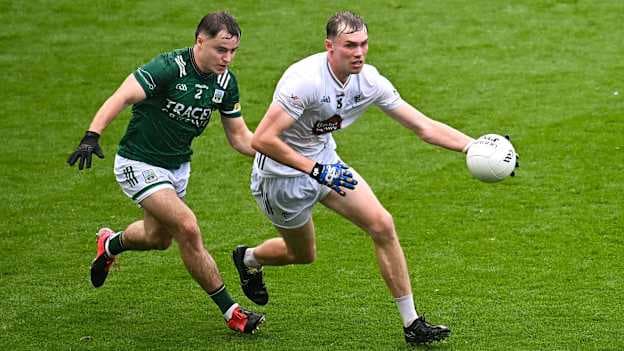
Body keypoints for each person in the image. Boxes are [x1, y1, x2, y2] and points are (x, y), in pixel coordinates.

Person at [231, 11, 496, 345]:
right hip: (282, 178)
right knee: (302, 254)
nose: (359, 52)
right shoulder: (304, 81)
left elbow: (423, 126)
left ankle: (412, 323)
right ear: (330, 47)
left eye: (364, 44)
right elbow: (261, 141)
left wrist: (474, 146)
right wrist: (314, 170)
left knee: (382, 224)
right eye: (350, 46)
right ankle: (249, 258)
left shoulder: (369, 81)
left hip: (327, 163)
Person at [67, 12, 264, 335]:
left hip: (177, 168)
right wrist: (92, 135)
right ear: (199, 41)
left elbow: (240, 137)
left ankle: (110, 244)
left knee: (157, 238)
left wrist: (281, 153)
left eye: (232, 52)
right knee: (187, 227)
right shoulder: (169, 68)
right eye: (220, 50)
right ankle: (232, 312)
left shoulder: (225, 83)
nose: (227, 58)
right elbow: (122, 96)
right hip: (138, 163)